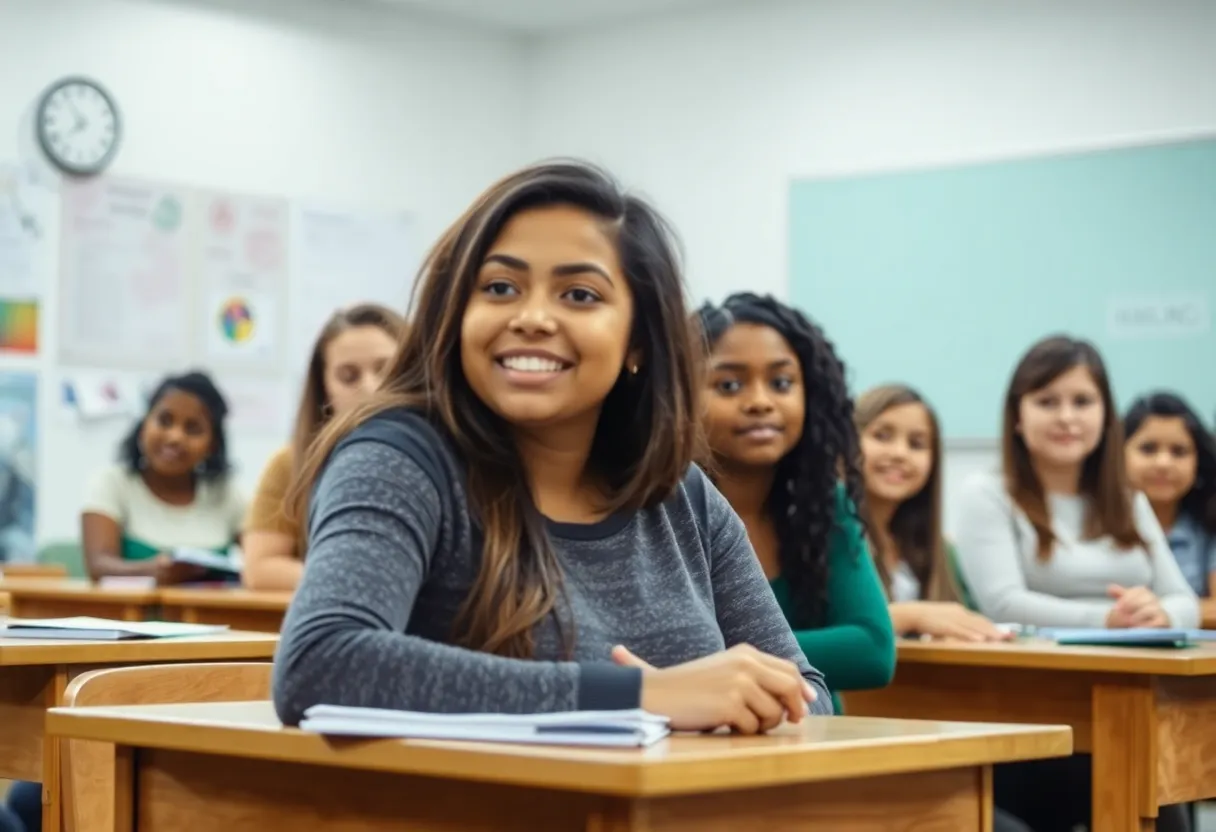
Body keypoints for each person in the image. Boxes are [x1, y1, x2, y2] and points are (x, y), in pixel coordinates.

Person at [273, 160, 831, 732]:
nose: (533, 317)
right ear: (457, 313)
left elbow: (807, 692)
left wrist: (737, 704)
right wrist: (640, 696)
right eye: (499, 288)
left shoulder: (680, 493)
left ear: (638, 338)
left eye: (580, 295)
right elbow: (322, 663)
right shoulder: (396, 460)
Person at [953, 335, 1195, 832]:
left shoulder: (1127, 498)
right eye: (1047, 401)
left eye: (1083, 401)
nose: (1067, 417)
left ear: (1107, 417)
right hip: (1032, 714)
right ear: (1018, 416)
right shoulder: (987, 493)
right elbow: (1002, 603)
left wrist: (1163, 615)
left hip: (1135, 701)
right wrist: (1106, 619)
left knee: (1165, 780)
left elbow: (1184, 601)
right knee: (1141, 777)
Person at [696, 294, 894, 713]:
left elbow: (873, 650)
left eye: (781, 383)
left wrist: (717, 654)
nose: (760, 401)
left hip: (815, 739)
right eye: (729, 384)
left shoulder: (822, 504)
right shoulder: (664, 510)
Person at [242, 303, 406, 590]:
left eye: (386, 369)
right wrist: (363, 581)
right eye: (348, 376)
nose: (370, 388)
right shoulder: (291, 464)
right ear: (324, 388)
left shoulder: (452, 458)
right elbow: (260, 570)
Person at [854, 384, 1008, 642]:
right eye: (882, 436)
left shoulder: (941, 550)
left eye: (917, 444)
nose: (900, 454)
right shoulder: (830, 538)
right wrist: (912, 616)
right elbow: (822, 628)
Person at [81, 370, 244, 584]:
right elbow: (98, 566)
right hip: (129, 616)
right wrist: (151, 570)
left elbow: (263, 560)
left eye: (193, 429)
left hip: (210, 616)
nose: (175, 437)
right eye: (164, 421)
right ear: (143, 427)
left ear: (212, 445)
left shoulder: (227, 495)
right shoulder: (112, 484)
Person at [1124, 392, 1216, 615]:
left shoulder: (1209, 526)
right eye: (1148, 449)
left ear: (1198, 461)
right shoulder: (1093, 522)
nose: (1164, 463)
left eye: (1179, 451)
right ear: (1117, 455)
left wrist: (1162, 612)